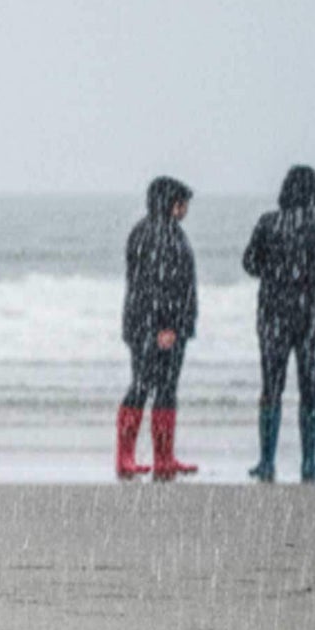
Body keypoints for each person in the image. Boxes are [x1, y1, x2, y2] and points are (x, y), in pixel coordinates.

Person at [242, 165, 315, 482]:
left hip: (273, 315)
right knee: (311, 388)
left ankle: (266, 461)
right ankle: (309, 462)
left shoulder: (269, 222)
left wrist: (277, 273)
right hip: (314, 315)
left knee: (271, 388)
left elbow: (249, 263)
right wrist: (311, 274)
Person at [116, 176, 198, 480]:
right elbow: (155, 285)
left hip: (157, 325)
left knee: (163, 389)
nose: (186, 208)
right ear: (171, 203)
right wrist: (165, 325)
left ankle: (163, 457)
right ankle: (129, 457)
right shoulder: (155, 234)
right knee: (143, 386)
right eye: (183, 202)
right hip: (153, 327)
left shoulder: (162, 232)